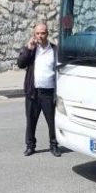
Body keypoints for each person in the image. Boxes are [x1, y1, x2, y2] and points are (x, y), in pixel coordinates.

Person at [17, 23, 61, 157]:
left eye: (42, 33)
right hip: (33, 92)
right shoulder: (32, 49)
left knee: (52, 122)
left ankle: (54, 145)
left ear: (47, 33)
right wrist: (28, 48)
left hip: (49, 93)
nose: (40, 36)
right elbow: (20, 64)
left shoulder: (54, 50)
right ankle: (30, 146)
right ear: (34, 34)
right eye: (37, 33)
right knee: (30, 121)